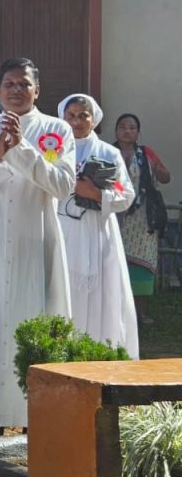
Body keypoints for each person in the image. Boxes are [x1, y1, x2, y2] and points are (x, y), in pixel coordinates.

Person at [0, 57, 74, 431]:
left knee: (32, 320)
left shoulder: (56, 129)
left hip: (34, 239)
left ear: (37, 90)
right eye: (8, 83)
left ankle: (32, 418)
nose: (16, 90)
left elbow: (61, 185)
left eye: (24, 84)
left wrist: (22, 150)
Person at [55, 96, 138, 356]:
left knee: (101, 294)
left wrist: (96, 194)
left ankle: (97, 351)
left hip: (96, 231)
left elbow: (127, 196)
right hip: (61, 231)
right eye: (72, 115)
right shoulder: (52, 150)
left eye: (84, 115)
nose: (78, 121)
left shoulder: (108, 152)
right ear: (63, 117)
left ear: (95, 118)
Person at [113, 113, 171, 325]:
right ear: (116, 131)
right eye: (122, 127)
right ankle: (117, 311)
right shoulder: (108, 152)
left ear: (138, 132)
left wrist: (160, 171)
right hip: (115, 219)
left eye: (131, 127)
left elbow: (166, 177)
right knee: (116, 265)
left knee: (143, 267)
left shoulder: (146, 153)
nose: (127, 131)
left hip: (143, 220)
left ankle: (141, 313)